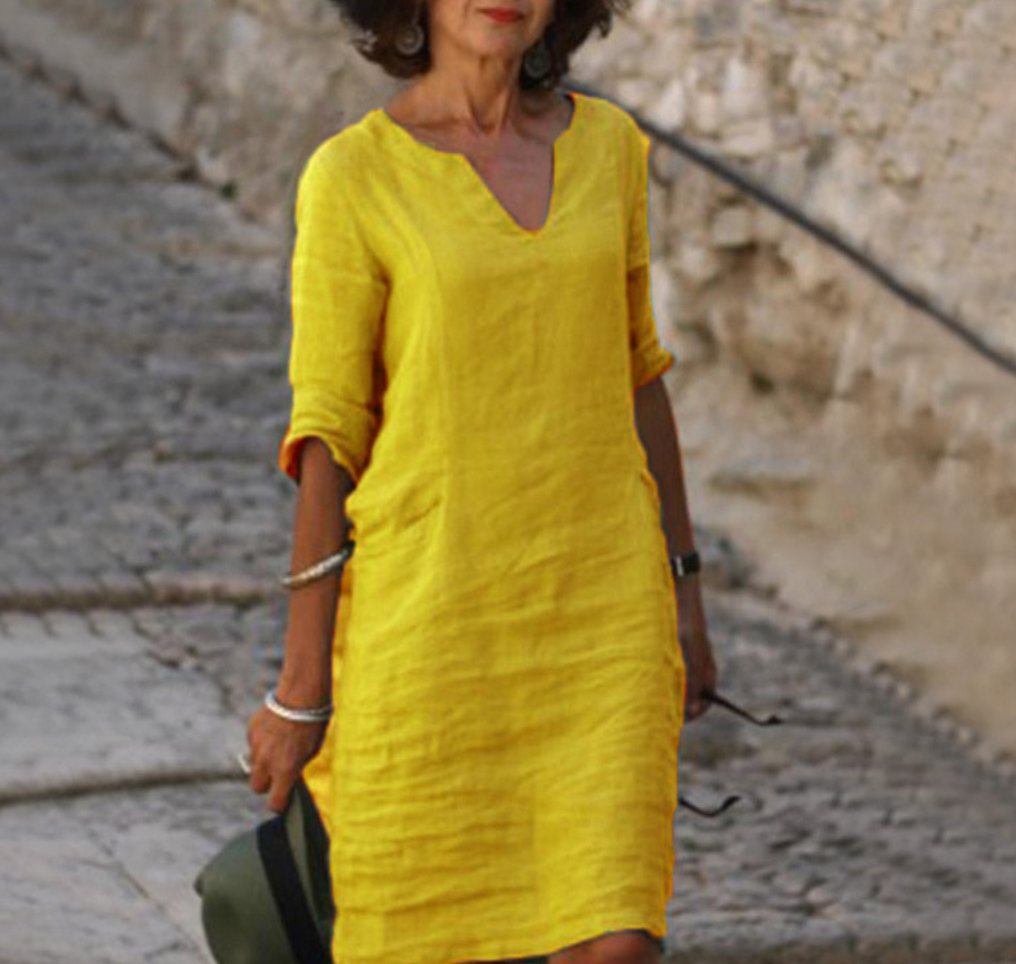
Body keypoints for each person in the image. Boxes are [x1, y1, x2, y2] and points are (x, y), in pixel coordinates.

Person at [244, 2, 719, 964]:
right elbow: (328, 435)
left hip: (602, 619)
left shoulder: (611, 149)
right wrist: (301, 688)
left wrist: (685, 592)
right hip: (430, 633)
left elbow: (639, 373)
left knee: (617, 942)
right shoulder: (353, 176)